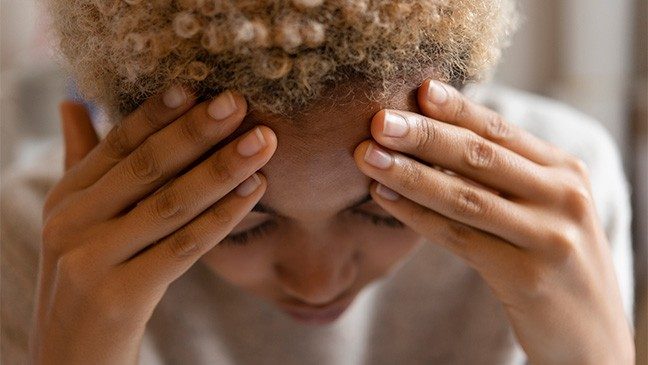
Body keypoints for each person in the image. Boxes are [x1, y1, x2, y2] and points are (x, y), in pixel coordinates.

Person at [1, 0, 636, 364]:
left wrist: (591, 352)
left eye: (387, 212)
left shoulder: (553, 208)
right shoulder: (46, 244)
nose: (317, 283)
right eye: (243, 229)